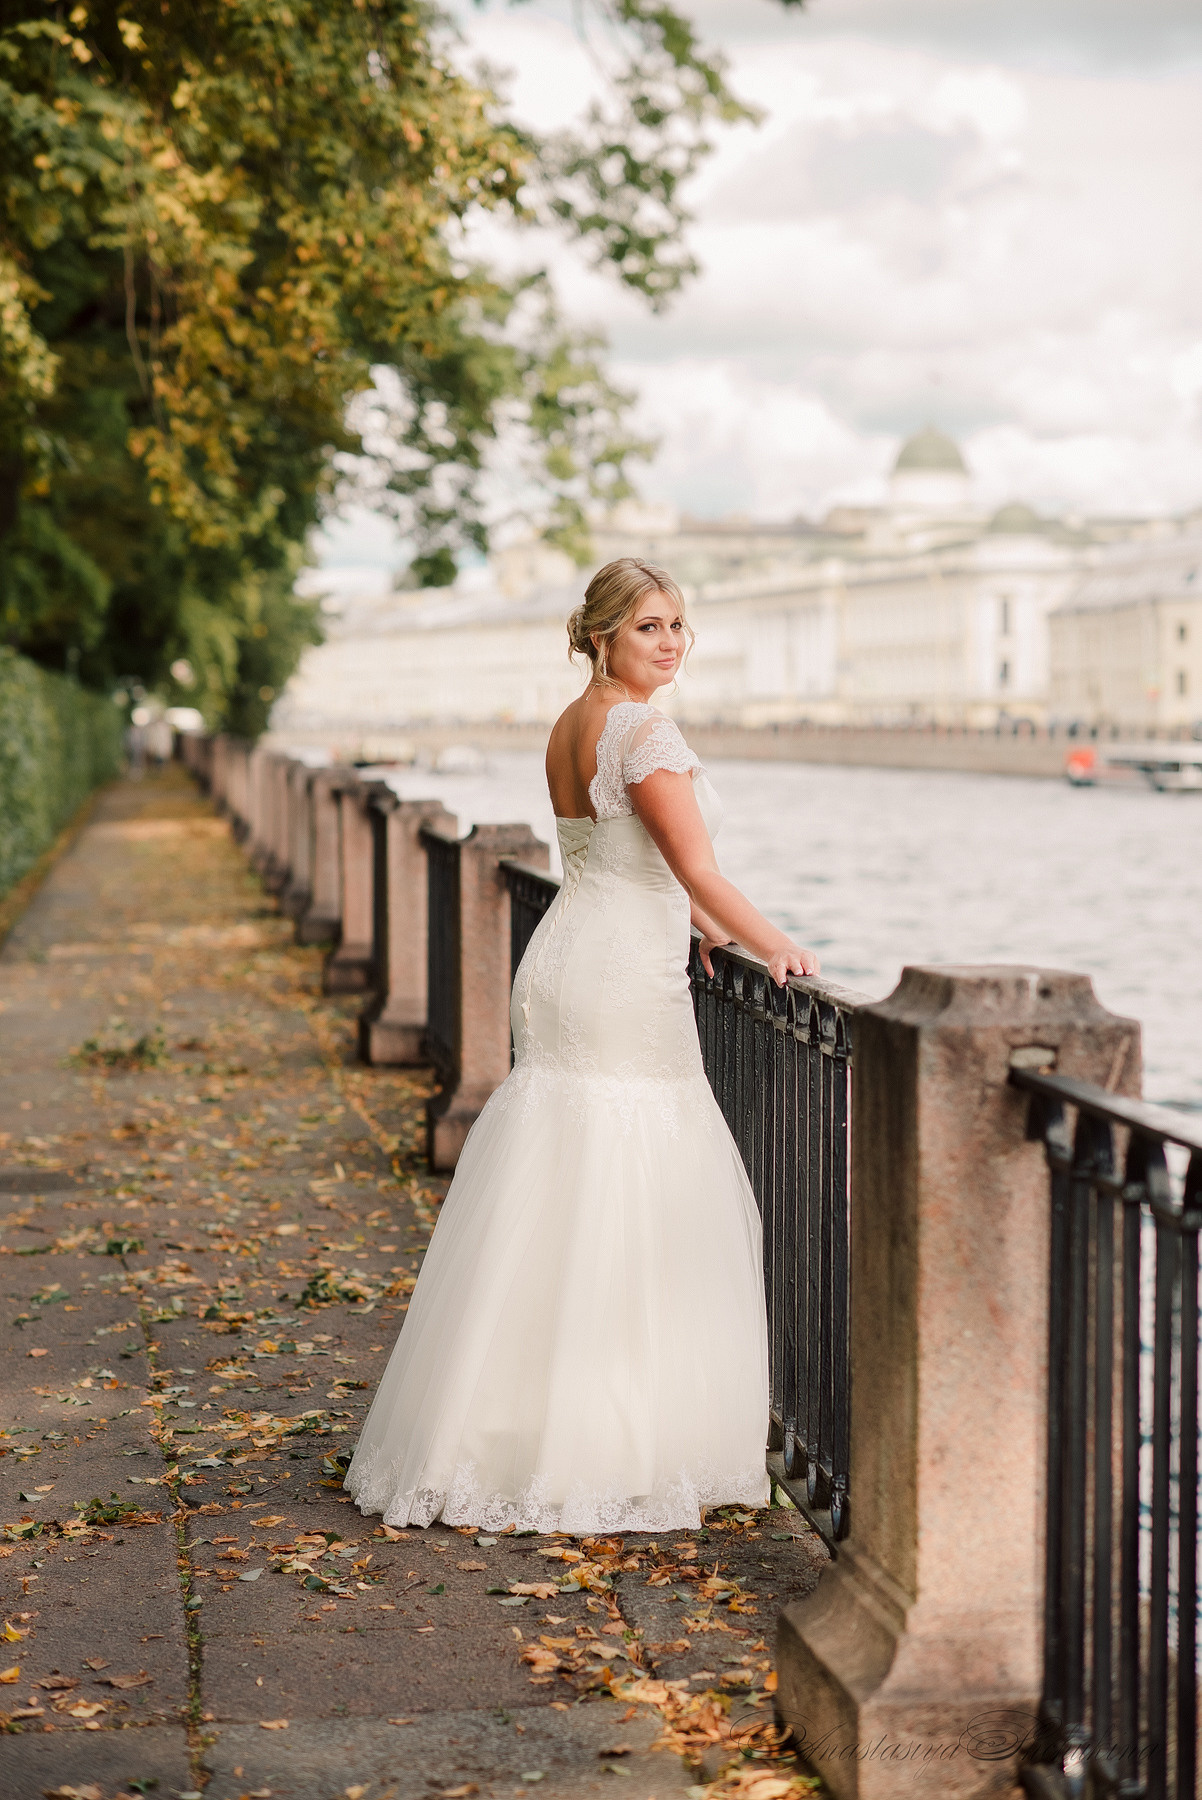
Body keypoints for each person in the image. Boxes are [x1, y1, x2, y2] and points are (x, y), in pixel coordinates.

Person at [345, 557, 820, 1532]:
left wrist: (697, 920)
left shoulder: (573, 722)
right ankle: (601, 1440)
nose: (672, 642)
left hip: (566, 954)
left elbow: (622, 858)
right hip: (616, 979)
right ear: (601, 633)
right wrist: (777, 947)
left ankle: (510, 1421)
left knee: (558, 1176)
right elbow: (693, 864)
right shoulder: (643, 729)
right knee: (628, 1179)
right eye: (649, 626)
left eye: (680, 625)